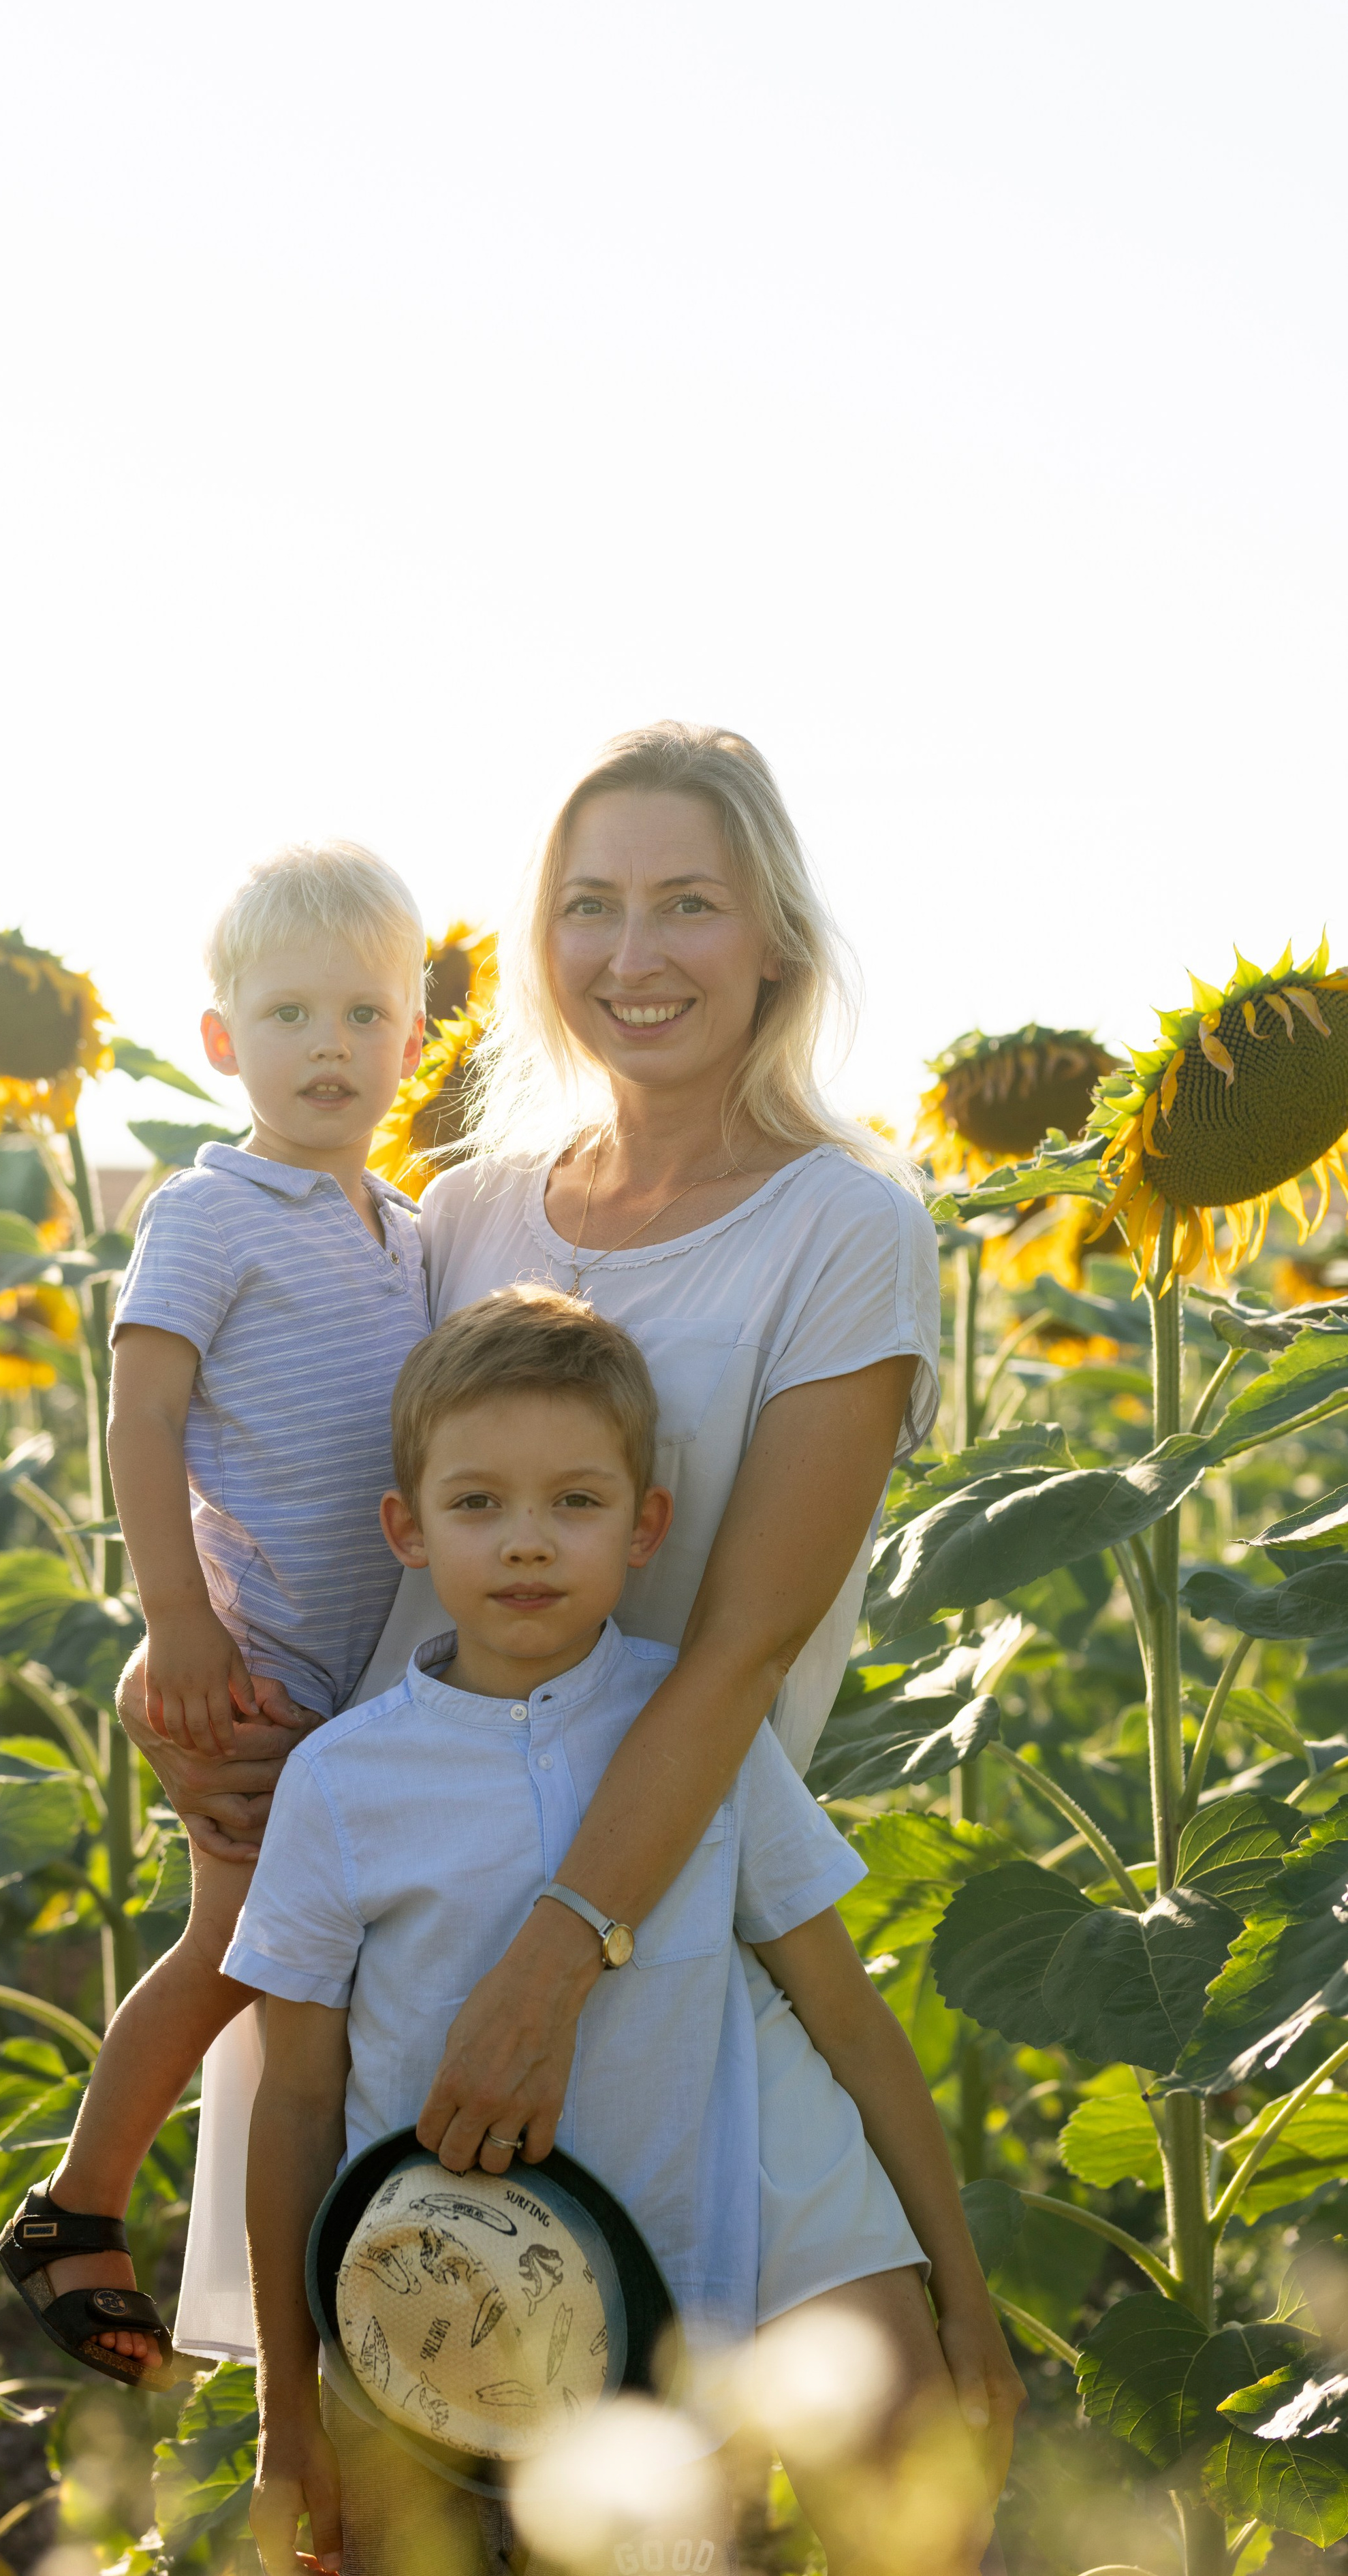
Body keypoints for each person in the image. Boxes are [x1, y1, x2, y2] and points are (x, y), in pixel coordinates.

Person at [125, 722, 1024, 2495]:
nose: (633, 953)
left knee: (899, 2450)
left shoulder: (847, 1227)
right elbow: (308, 1495)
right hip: (413, 1901)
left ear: (774, 933)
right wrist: (209, 1704)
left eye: (687, 903)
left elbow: (749, 1639)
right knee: (452, 2475)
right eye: (590, 905)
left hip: (680, 1893)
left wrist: (560, 1949)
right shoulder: (456, 1209)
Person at [234, 1288, 998, 2576]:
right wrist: (286, 2407)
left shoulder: (694, 1740)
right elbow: (298, 2095)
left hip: (690, 2328)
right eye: (477, 1503)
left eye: (575, 1502)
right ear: (405, 1528)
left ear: (647, 1526)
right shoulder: (339, 1783)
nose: (526, 1543)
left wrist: (963, 2298)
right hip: (437, 2347)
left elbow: (845, 2010)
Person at [0, 840, 431, 2381]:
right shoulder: (209, 1209)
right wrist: (168, 1616)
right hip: (250, 1658)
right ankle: (77, 2199)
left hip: (362, 1678)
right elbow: (142, 1413)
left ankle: (324, 2298)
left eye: (366, 1013)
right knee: (238, 1946)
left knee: (304, 1968)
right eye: (291, 1012)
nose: (331, 1045)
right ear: (220, 1042)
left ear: (415, 1041)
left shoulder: (408, 1229)